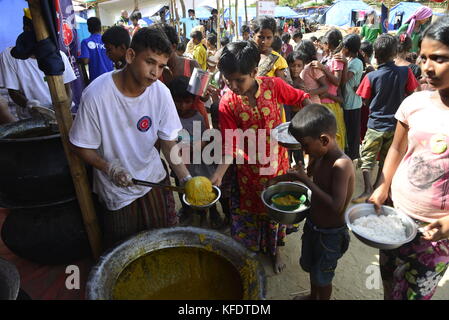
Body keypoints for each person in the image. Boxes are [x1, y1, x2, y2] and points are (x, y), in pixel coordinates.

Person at [69, 28, 192, 249]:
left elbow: (168, 141)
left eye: (161, 66)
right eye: (150, 62)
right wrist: (109, 168)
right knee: (125, 250)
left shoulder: (161, 93)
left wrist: (185, 178)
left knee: (161, 243)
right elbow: (79, 146)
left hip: (154, 180)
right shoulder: (96, 95)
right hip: (117, 190)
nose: (155, 72)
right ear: (130, 56)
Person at [210, 41, 311, 274]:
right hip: (248, 172)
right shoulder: (227, 103)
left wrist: (310, 126)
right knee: (252, 211)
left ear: (254, 73)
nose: (233, 86)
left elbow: (301, 98)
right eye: (228, 80)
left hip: (277, 166)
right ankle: (253, 250)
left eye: (239, 80)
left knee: (275, 210)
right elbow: (230, 143)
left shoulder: (274, 86)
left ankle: (277, 250)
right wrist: (218, 174)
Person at [368, 17, 449, 300]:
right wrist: (383, 185)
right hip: (396, 216)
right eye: (424, 57)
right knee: (389, 282)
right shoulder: (413, 104)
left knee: (413, 295)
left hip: (434, 234)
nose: (427, 66)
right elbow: (396, 150)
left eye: (438, 58)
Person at [268, 104, 354, 300]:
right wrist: (282, 179)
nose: (303, 150)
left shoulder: (341, 165)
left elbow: (336, 205)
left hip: (330, 234)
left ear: (324, 139)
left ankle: (319, 296)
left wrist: (306, 180)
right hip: (313, 226)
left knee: (323, 277)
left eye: (305, 145)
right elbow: (306, 176)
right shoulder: (318, 156)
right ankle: (312, 295)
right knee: (312, 268)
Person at [352, 34, 419, 203]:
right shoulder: (406, 71)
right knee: (387, 159)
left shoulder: (371, 76)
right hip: (396, 126)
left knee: (367, 158)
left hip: (375, 125)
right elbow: (411, 92)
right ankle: (380, 188)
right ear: (395, 52)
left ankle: (367, 189)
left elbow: (365, 100)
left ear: (375, 54)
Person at [167, 76, 223, 228]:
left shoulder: (197, 117)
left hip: (200, 162)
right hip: (181, 164)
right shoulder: (169, 118)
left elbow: (206, 138)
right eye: (178, 101)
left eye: (187, 101)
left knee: (206, 187)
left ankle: (212, 211)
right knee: (183, 186)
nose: (182, 106)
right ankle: (187, 211)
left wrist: (198, 146)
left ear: (193, 101)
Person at [0, 47, 76, 119]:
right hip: (30, 120)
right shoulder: (10, 56)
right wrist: (29, 104)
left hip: (62, 116)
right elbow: (13, 92)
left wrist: (64, 108)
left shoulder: (59, 55)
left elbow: (67, 89)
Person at [158, 25, 210, 130]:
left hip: (196, 123)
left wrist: (204, 90)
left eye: (161, 48)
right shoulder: (157, 70)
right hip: (169, 125)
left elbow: (204, 98)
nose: (158, 52)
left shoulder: (193, 65)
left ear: (173, 46)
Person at [311, 29, 347, 151]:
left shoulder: (336, 59)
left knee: (332, 136)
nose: (322, 45)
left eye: (324, 43)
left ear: (329, 43)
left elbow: (337, 81)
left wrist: (323, 68)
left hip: (330, 103)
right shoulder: (327, 56)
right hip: (323, 101)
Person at [341, 34, 364, 160]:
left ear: (348, 48)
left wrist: (344, 62)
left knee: (353, 133)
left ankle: (354, 158)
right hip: (348, 102)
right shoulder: (351, 61)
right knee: (348, 132)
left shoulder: (356, 62)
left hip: (353, 104)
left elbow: (344, 79)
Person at [251, 16, 288, 81]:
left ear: (273, 37)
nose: (264, 42)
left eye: (268, 38)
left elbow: (282, 87)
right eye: (260, 37)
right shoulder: (247, 54)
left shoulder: (277, 60)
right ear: (254, 35)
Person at [79, 17, 114, 83]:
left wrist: (78, 59)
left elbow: (85, 60)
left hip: (96, 81)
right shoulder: (108, 40)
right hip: (111, 78)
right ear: (100, 27)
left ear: (88, 28)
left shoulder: (85, 42)